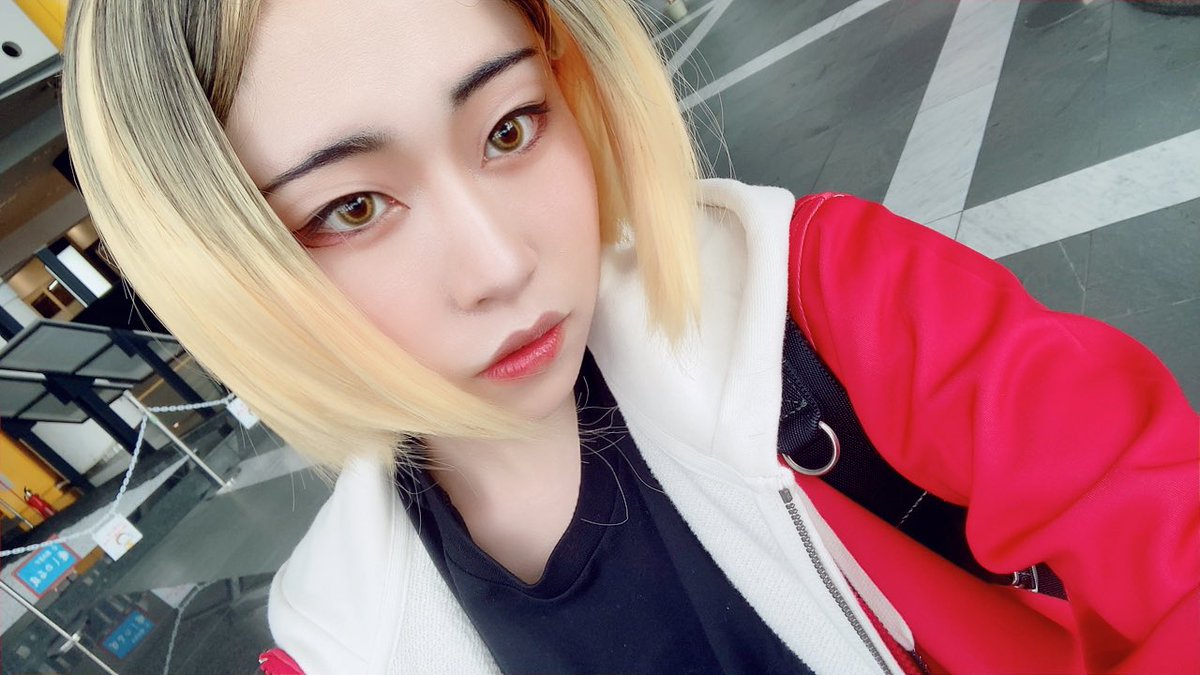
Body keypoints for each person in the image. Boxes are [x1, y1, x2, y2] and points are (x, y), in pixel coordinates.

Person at [60, 0, 1197, 673]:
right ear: (228, 269)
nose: (501, 264)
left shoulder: (814, 299)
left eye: (511, 127)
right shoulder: (344, 637)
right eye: (352, 208)